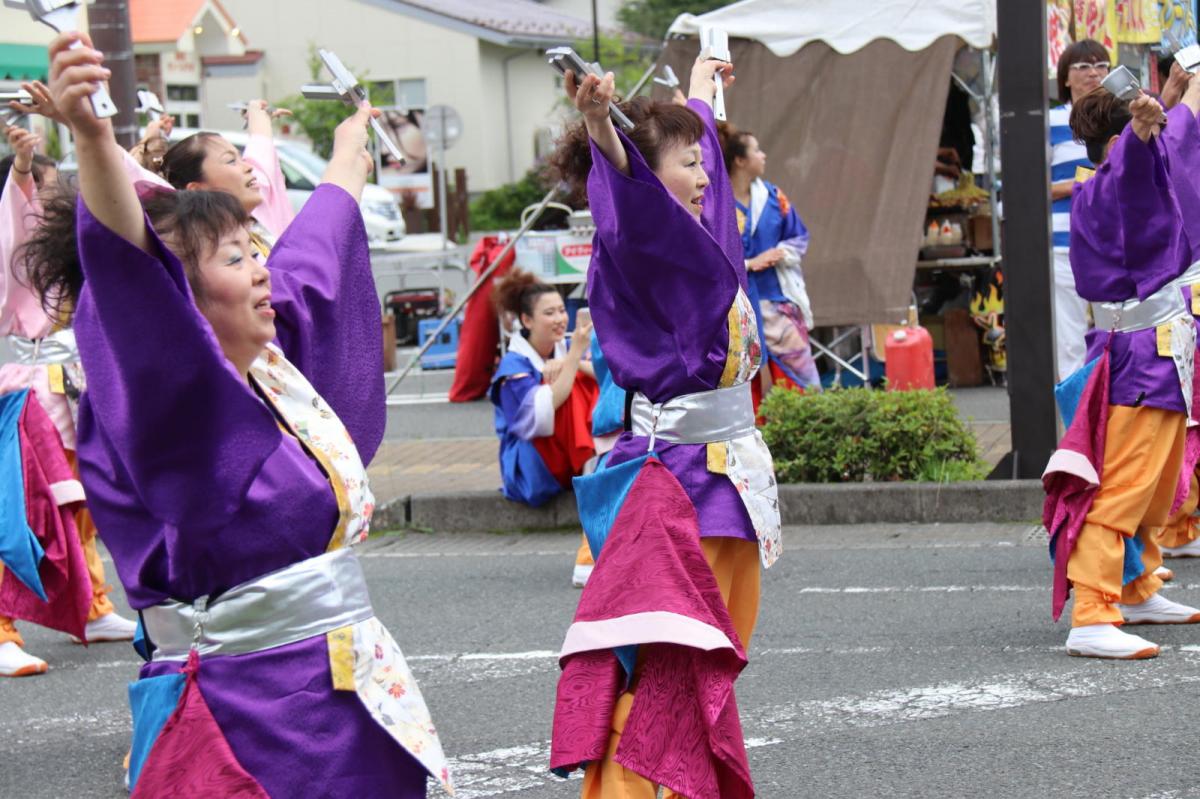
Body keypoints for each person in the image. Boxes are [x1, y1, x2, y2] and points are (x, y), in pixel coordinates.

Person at [30, 32, 451, 796]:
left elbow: (316, 255)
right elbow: (131, 273)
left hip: (338, 691)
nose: (263, 271)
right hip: (245, 718)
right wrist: (92, 139)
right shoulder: (163, 398)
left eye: (255, 249)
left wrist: (352, 145)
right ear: (176, 305)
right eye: (235, 258)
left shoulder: (271, 373)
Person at [547, 55, 780, 798]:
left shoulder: (696, 236)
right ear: (648, 178)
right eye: (688, 164)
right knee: (674, 668)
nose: (708, 176)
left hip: (726, 477)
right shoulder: (641, 243)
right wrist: (599, 128)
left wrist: (704, 90)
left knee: (708, 654)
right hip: (684, 486)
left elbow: (698, 163)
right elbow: (628, 190)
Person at [1044, 79, 1200, 661]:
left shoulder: (1114, 178)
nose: (1160, 140)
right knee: (1123, 488)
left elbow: (1174, 147)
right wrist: (1142, 131)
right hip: (1138, 351)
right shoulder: (1111, 182)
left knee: (1159, 488)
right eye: (1143, 133)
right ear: (1118, 138)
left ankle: (1136, 587)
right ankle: (1092, 611)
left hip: (1162, 348)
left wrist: (1180, 93)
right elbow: (1140, 161)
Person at [0, 123, 136, 678]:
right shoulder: (16, 257)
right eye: (41, 199)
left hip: (67, 386)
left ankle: (93, 604)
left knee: (79, 509)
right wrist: (23, 173)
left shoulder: (65, 259)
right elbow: (13, 232)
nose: (51, 207)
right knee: (19, 515)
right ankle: (2, 626)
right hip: (21, 391)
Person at [488, 272, 598, 586]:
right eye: (549, 313)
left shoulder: (561, 350)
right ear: (526, 320)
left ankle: (596, 466)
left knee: (585, 381)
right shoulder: (512, 367)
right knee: (576, 385)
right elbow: (539, 419)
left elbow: (606, 376)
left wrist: (569, 363)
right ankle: (595, 470)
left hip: (561, 454)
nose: (559, 319)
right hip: (530, 465)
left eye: (562, 310)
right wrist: (574, 358)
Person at [720, 121, 822, 401]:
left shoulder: (775, 197)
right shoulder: (718, 206)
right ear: (740, 160)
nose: (763, 155)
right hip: (737, 308)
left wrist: (781, 253)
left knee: (803, 384)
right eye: (757, 150)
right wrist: (752, 263)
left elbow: (799, 236)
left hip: (777, 302)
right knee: (743, 385)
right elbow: (712, 259)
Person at [1049, 40, 1109, 381]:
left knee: (1115, 334)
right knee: (1069, 339)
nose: (1093, 73)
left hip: (1112, 243)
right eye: (1083, 67)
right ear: (1066, 78)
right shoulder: (1052, 121)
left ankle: (1108, 418)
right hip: (1063, 243)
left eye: (1101, 65)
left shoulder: (1121, 117)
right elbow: (1032, 186)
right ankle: (1076, 425)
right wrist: (1087, 184)